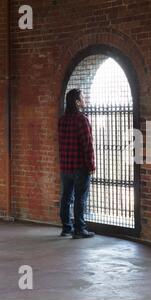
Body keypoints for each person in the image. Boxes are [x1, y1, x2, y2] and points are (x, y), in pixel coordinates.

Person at [58, 88, 96, 239]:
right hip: (80, 166)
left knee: (66, 198)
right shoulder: (82, 119)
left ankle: (66, 228)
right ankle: (80, 229)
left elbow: (61, 144)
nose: (84, 99)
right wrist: (91, 165)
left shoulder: (62, 120)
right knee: (80, 198)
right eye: (82, 97)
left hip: (65, 166)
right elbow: (87, 145)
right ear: (77, 101)